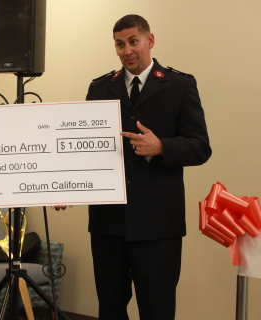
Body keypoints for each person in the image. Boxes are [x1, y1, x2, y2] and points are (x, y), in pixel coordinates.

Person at [84, 15, 211, 320]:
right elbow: (85, 149)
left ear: (149, 41)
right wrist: (68, 186)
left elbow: (201, 147)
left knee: (157, 310)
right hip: (108, 222)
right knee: (110, 309)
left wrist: (163, 147)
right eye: (119, 44)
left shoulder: (180, 85)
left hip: (157, 225)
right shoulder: (100, 88)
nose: (126, 50)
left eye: (133, 41)